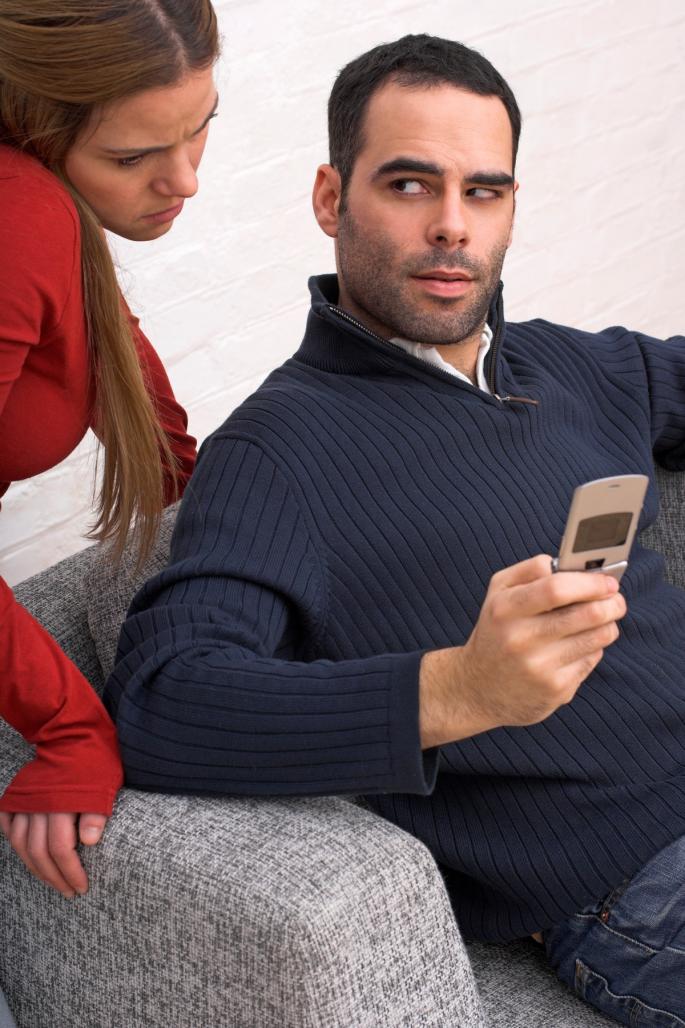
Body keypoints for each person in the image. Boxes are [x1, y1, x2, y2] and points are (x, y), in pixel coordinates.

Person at [106, 33, 685, 1026]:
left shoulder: (574, 365)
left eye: (483, 191)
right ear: (331, 198)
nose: (452, 225)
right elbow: (162, 700)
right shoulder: (277, 449)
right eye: (410, 185)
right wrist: (456, 689)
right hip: (635, 888)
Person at [0, 0, 219, 909]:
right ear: (32, 127)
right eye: (132, 158)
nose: (184, 179)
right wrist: (70, 727)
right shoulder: (19, 214)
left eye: (200, 127)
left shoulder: (45, 211)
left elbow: (132, 388)